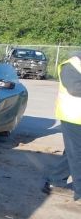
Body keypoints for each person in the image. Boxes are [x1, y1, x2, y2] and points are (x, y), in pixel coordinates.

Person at [43, 50, 81, 202]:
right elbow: (75, 88)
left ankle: (55, 180)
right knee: (77, 155)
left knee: (73, 153)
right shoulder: (71, 66)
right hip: (72, 118)